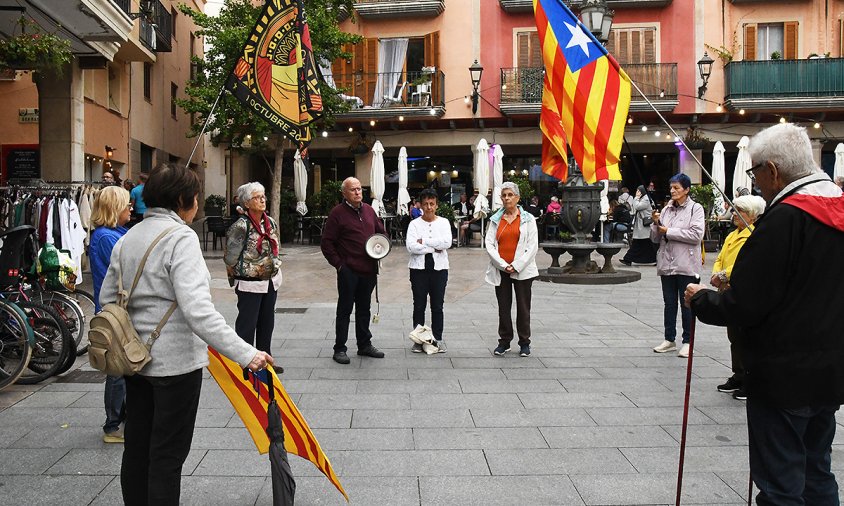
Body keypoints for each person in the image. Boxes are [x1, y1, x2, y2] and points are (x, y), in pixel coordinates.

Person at [685, 123, 844, 505]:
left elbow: (747, 303)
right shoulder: (837, 210)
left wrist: (702, 300)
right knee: (816, 470)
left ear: (772, 170)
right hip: (831, 371)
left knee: (781, 483)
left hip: (783, 374)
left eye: (755, 173)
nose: (756, 183)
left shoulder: (784, 220)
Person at [100, 163, 273, 506]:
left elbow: (107, 300)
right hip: (175, 366)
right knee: (167, 454)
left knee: (137, 447)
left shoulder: (128, 237)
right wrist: (248, 354)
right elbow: (199, 312)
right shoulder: (181, 238)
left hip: (134, 361)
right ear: (183, 200)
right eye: (195, 197)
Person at [321, 177, 387, 365]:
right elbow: (327, 243)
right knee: (345, 309)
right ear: (344, 193)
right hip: (348, 270)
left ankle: (364, 344)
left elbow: (381, 233)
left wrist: (382, 245)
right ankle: (339, 348)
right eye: (353, 190)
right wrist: (340, 265)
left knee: (364, 309)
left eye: (359, 189)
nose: (358, 192)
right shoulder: (337, 213)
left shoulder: (369, 210)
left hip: (368, 269)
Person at [709, 194, 766, 401]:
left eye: (740, 211)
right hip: (726, 289)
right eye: (735, 209)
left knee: (745, 337)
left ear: (752, 216)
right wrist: (717, 273)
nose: (735, 214)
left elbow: (747, 263)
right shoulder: (733, 234)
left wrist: (724, 275)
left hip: (742, 288)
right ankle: (739, 374)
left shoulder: (754, 235)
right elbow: (721, 258)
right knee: (733, 336)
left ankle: (750, 379)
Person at [89, 186, 132, 444]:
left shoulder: (114, 233)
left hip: (116, 310)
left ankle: (120, 420)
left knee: (121, 370)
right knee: (117, 370)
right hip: (113, 312)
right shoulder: (107, 238)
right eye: (126, 205)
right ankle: (113, 425)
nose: (130, 209)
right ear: (114, 209)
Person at [651, 173, 705, 358]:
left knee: (687, 304)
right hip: (667, 263)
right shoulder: (666, 209)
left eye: (677, 188)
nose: (672, 191)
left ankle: (688, 341)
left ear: (687, 190)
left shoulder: (695, 209)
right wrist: (655, 224)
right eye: (671, 187)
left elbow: (696, 235)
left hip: (686, 264)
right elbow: (655, 238)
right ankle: (669, 338)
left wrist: (669, 231)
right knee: (669, 303)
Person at [224, 182, 282, 354]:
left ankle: (265, 359)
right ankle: (244, 361)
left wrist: (275, 264)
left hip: (270, 281)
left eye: (263, 196)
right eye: (257, 197)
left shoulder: (270, 222)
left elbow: (276, 246)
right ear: (246, 203)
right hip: (250, 283)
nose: (262, 200)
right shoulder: (241, 226)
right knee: (247, 325)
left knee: (267, 323)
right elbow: (230, 257)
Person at [486, 182, 539, 357]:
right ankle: (504, 341)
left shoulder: (528, 219)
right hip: (501, 269)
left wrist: (516, 266)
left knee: (523, 308)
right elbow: (489, 244)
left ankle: (524, 342)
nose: (507, 198)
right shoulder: (495, 219)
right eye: (504, 195)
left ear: (517, 198)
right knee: (503, 307)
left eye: (510, 195)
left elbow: (532, 246)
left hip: (522, 270)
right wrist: (503, 264)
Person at [406, 189, 451, 353]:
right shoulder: (414, 224)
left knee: (437, 305)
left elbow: (446, 243)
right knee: (419, 305)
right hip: (419, 270)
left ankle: (437, 338)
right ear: (420, 205)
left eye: (432, 204)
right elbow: (411, 246)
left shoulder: (444, 222)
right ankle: (418, 339)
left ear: (436, 205)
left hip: (439, 270)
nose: (429, 207)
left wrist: (424, 241)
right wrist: (433, 248)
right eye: (425, 204)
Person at [620, 185, 657, 265]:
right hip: (641, 227)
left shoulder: (646, 199)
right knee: (644, 244)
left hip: (644, 227)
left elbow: (637, 206)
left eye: (639, 191)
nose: (637, 193)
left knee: (640, 243)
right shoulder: (644, 198)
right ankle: (629, 259)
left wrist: (636, 198)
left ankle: (628, 259)